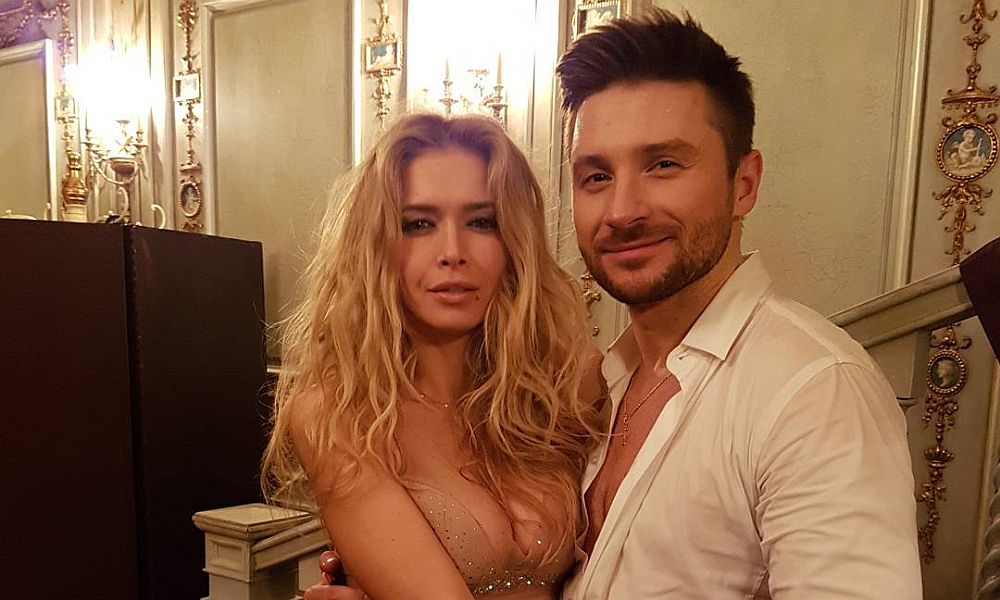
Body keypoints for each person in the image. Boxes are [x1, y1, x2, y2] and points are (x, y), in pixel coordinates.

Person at [311, 9, 922, 599]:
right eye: (597, 176)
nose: (624, 210)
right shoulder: (594, 384)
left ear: (744, 184)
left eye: (663, 164)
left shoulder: (812, 391)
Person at [261, 113, 604, 599]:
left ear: (513, 242)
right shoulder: (341, 415)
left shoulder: (566, 386)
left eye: (481, 222)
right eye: (419, 224)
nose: (452, 252)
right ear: (376, 245)